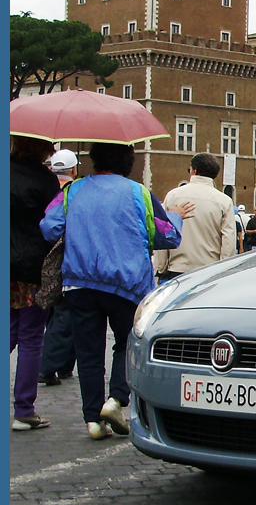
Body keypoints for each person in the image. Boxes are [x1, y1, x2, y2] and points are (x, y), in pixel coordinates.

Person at [40, 142, 193, 440]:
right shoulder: (139, 193)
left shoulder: (72, 191)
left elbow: (49, 228)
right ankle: (116, 400)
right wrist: (174, 215)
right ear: (128, 163)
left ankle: (92, 420)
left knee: (88, 351)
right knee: (125, 343)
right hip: (127, 283)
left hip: (80, 282)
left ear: (94, 161)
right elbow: (167, 235)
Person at [11, 136, 61, 431]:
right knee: (31, 337)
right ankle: (24, 410)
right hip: (32, 266)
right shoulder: (46, 181)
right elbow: (52, 224)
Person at [153, 153, 237, 280]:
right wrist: (223, 270)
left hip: (177, 268)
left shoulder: (173, 196)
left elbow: (163, 230)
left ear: (194, 171)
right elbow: (228, 241)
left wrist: (161, 267)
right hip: (210, 269)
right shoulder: (224, 201)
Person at [38, 149, 81, 387]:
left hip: (42, 259)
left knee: (55, 313)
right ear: (74, 169)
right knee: (67, 314)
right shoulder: (73, 192)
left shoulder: (43, 186)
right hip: (68, 259)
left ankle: (63, 365)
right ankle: (51, 366)